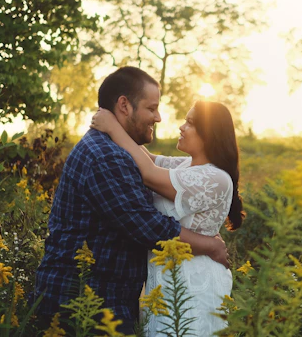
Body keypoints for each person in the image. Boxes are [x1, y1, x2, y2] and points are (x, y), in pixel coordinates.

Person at [33, 67, 229, 335]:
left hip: (110, 296)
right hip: (85, 299)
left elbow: (148, 164)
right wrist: (211, 246)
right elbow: (147, 226)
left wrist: (114, 127)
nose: (159, 117)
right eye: (152, 108)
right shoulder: (107, 157)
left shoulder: (113, 150)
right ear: (124, 105)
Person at [90, 100, 245, 336]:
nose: (181, 127)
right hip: (164, 282)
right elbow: (146, 158)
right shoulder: (185, 166)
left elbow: (149, 173)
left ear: (210, 134)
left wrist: (112, 127)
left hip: (193, 283)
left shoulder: (216, 178)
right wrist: (117, 120)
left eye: (190, 123)